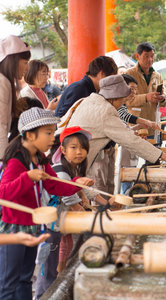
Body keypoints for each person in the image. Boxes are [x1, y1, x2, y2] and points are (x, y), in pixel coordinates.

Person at [0, 107, 93, 300]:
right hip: (13, 228)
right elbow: (4, 192)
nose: (53, 138)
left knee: (25, 279)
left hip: (32, 225)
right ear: (30, 134)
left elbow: (55, 186)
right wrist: (27, 177)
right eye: (48, 132)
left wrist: (76, 183)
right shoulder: (17, 161)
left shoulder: (40, 160)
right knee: (9, 282)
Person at [57, 75, 166, 194]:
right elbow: (131, 141)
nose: (123, 103)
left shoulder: (88, 101)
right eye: (122, 100)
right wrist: (164, 156)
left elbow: (121, 133)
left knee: (79, 195)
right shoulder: (105, 111)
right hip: (69, 167)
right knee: (68, 200)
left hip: (64, 160)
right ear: (114, 97)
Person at [35, 126, 103, 299]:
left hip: (62, 225)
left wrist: (105, 202)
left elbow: (83, 189)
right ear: (63, 150)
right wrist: (91, 215)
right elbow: (70, 200)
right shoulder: (59, 171)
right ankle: (44, 294)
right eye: (74, 147)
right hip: (51, 225)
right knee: (47, 266)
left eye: (83, 148)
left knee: (64, 251)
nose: (79, 152)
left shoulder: (75, 169)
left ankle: (60, 279)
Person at [125, 42, 166, 137]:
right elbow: (125, 101)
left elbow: (165, 99)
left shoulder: (157, 76)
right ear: (137, 56)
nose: (150, 59)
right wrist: (146, 97)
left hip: (154, 125)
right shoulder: (129, 74)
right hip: (135, 127)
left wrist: (162, 98)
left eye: (152, 56)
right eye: (146, 56)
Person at [0, 35, 31, 159]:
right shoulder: (2, 82)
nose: (27, 68)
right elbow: (1, 125)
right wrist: (4, 159)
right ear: (12, 61)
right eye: (25, 63)